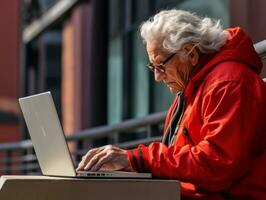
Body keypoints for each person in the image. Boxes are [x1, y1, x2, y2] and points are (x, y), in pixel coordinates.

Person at [77, 9, 266, 199]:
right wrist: (132, 163)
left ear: (190, 53)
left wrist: (137, 159)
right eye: (152, 67)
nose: (157, 77)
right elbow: (178, 158)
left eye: (160, 65)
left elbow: (217, 165)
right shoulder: (193, 86)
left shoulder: (228, 82)